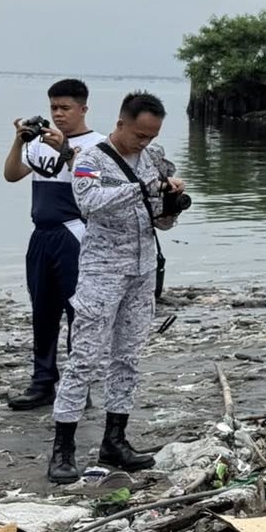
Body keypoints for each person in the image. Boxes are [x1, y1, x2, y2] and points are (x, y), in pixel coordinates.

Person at [48, 91, 186, 485]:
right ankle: (63, 448)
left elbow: (160, 221)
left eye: (152, 135)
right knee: (85, 359)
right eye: (140, 135)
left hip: (141, 272)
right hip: (102, 272)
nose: (144, 142)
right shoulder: (91, 158)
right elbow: (88, 202)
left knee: (127, 357)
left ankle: (115, 440)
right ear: (121, 123)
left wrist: (170, 205)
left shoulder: (153, 158)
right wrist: (142, 188)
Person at [2, 79, 102, 410]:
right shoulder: (39, 143)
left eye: (65, 108)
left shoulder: (98, 145)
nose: (58, 115)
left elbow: (92, 189)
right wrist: (18, 142)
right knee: (42, 310)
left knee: (78, 311)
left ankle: (77, 384)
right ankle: (42, 382)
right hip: (41, 233)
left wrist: (65, 151)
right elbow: (11, 175)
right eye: (53, 108)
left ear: (83, 109)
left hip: (73, 231)